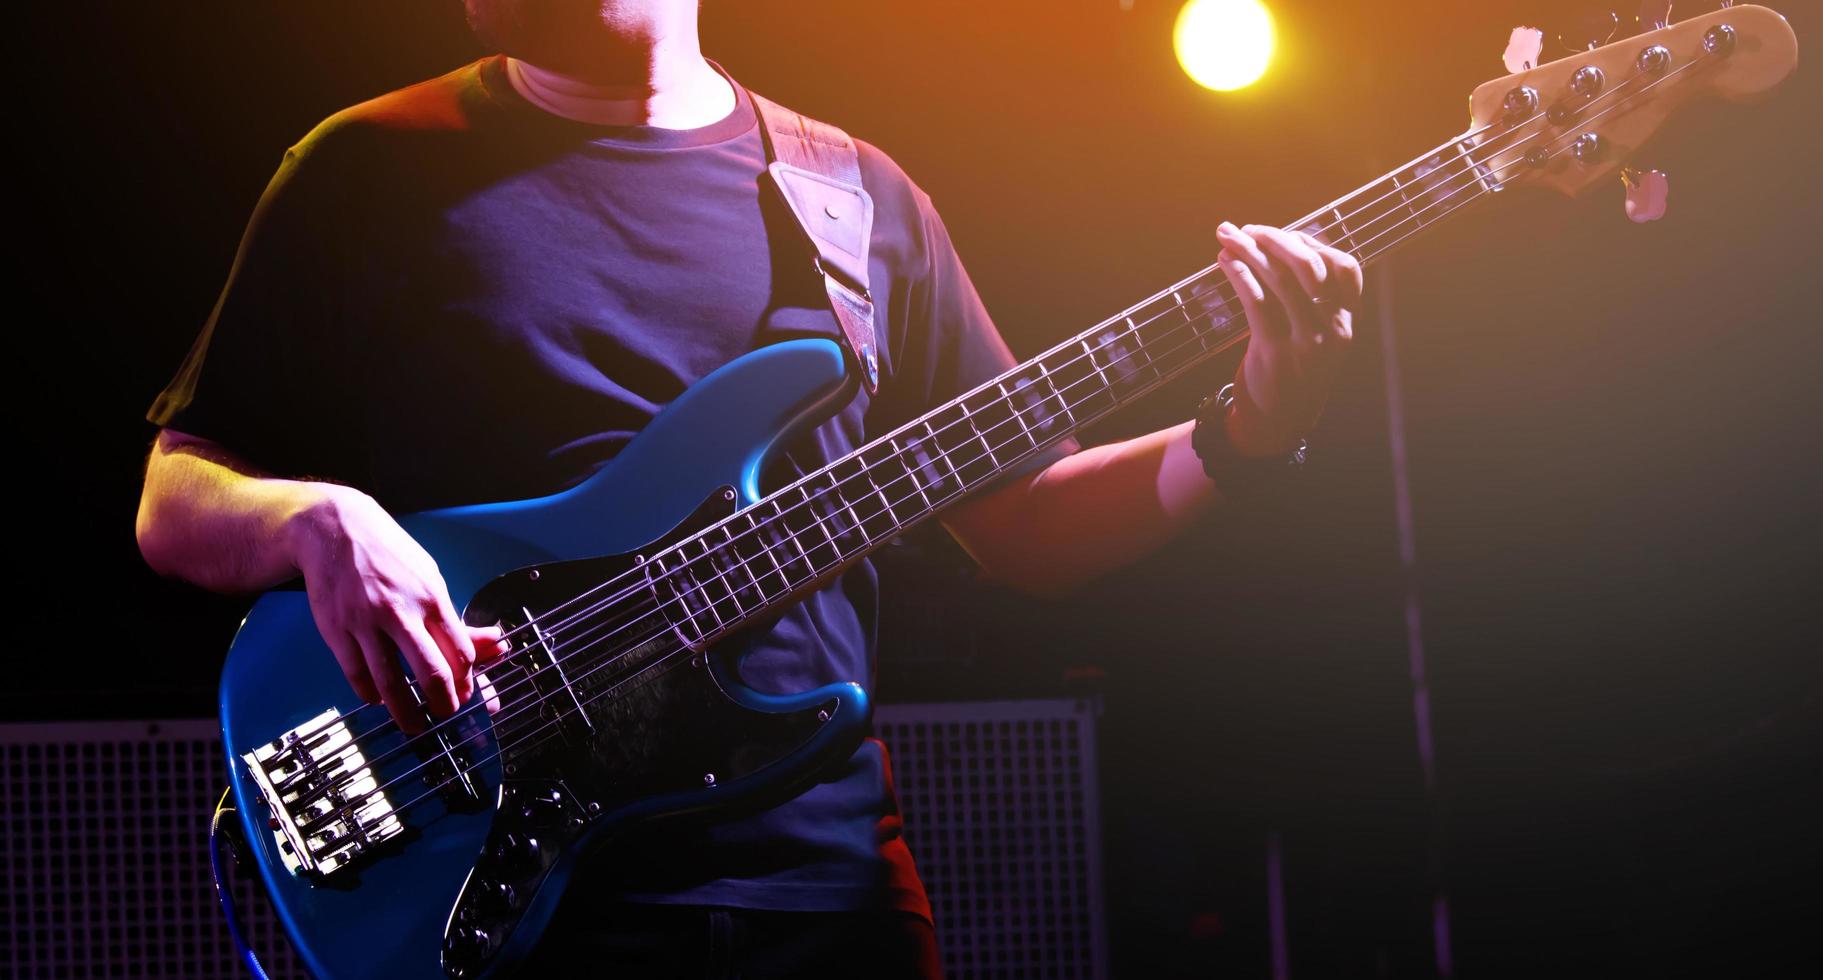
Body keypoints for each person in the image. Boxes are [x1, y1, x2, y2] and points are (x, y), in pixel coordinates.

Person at [135, 1, 1360, 975]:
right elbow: (175, 498)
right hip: (516, 891)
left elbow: (1028, 521)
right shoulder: (368, 169)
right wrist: (317, 517)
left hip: (819, 889)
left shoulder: (855, 198)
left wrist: (1251, 429)